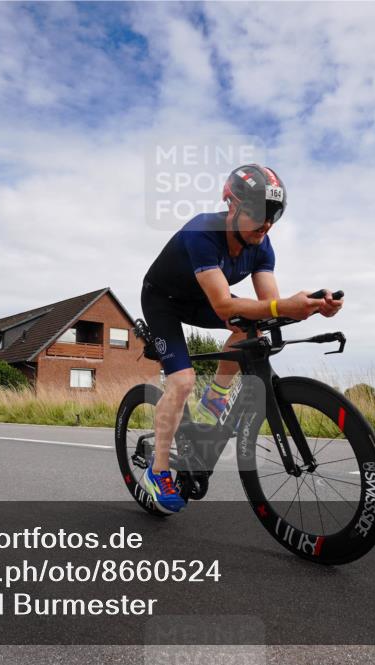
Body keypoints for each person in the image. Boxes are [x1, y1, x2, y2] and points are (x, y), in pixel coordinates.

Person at [139, 164, 342, 513]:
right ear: (231, 206)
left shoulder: (262, 246)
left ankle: (213, 402)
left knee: (251, 329)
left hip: (201, 299)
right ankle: (158, 473)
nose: (266, 225)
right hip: (163, 301)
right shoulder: (203, 232)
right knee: (183, 380)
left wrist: (310, 306)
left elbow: (269, 307)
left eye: (273, 216)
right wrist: (284, 305)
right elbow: (222, 305)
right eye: (259, 215)